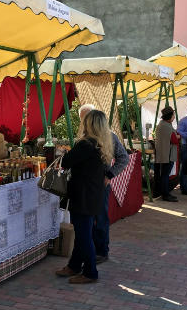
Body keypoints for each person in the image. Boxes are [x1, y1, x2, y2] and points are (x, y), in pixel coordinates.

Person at [55, 110, 113, 283]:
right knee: (83, 233)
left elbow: (65, 163)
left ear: (89, 124)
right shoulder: (101, 144)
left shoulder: (86, 144)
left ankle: (90, 272)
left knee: (83, 234)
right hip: (93, 194)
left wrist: (63, 153)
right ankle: (74, 265)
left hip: (83, 195)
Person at [77, 104, 129, 264]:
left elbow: (123, 158)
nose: (87, 122)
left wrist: (109, 175)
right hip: (86, 185)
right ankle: (90, 249)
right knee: (87, 220)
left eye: (89, 118)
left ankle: (101, 251)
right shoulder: (83, 138)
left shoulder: (110, 136)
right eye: (84, 119)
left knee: (100, 219)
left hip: (100, 184)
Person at [154, 106, 179, 202]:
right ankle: (165, 194)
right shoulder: (167, 126)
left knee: (163, 174)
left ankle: (162, 192)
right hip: (167, 154)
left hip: (163, 153)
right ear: (170, 116)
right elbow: (174, 140)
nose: (174, 117)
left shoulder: (162, 124)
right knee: (165, 175)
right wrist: (178, 136)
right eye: (173, 115)